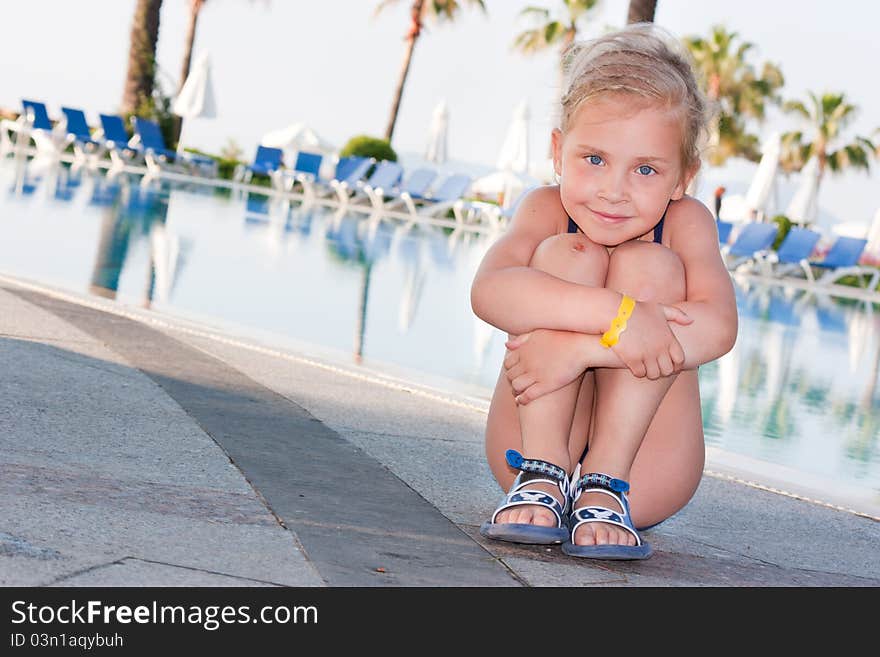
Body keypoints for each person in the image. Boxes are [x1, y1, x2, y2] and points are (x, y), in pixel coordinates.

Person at [470, 24, 738, 560]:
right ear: (557, 150)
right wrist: (617, 314)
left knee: (651, 266)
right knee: (565, 255)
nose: (614, 190)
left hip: (646, 468)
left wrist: (582, 346)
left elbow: (719, 328)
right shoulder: (545, 208)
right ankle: (544, 477)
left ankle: (603, 483)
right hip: (525, 449)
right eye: (593, 159)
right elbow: (489, 291)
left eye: (645, 169)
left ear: (683, 177)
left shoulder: (686, 223)